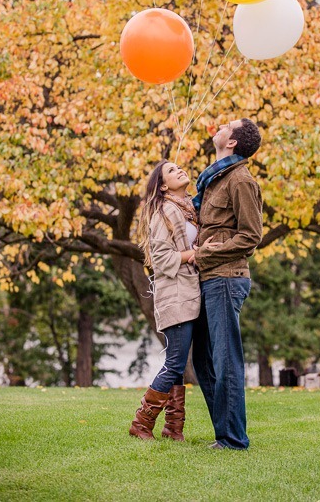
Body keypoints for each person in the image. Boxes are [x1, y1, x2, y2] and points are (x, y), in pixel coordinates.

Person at [192, 118, 263, 450]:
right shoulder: (214, 178)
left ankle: (233, 439)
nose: (218, 126)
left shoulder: (241, 180)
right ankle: (224, 432)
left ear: (232, 142)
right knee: (202, 360)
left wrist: (207, 253)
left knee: (225, 359)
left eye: (226, 126)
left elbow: (251, 236)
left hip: (225, 278)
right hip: (208, 278)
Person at [129, 159, 202, 441]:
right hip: (174, 293)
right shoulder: (165, 211)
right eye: (171, 171)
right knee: (174, 363)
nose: (179, 170)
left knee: (178, 361)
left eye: (179, 167)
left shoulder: (187, 210)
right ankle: (141, 423)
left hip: (187, 291)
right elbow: (160, 259)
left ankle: (173, 429)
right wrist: (194, 254)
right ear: (162, 185)